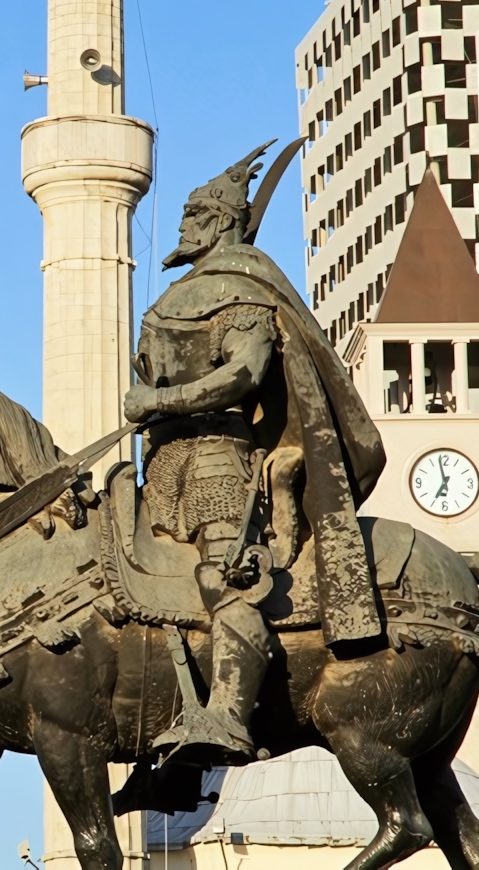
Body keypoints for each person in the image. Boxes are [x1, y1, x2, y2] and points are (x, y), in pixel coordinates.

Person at [124, 143, 386, 763]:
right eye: (185, 212)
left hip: (219, 459)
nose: (183, 225)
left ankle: (229, 718)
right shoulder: (172, 298)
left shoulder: (241, 290)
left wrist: (169, 399)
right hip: (163, 463)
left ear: (222, 222)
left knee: (225, 582)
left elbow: (245, 374)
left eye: (194, 214)